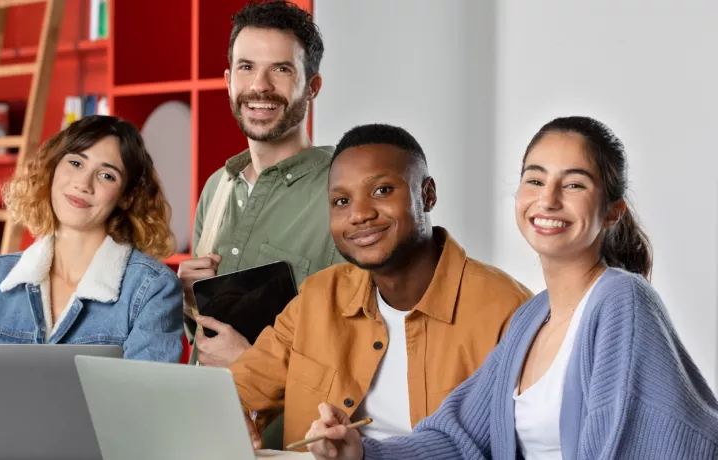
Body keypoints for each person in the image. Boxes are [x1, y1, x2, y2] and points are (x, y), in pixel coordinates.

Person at [304, 116, 718, 460]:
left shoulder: (620, 301)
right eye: (535, 180)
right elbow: (460, 438)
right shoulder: (532, 319)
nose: (548, 200)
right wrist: (362, 452)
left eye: (574, 184)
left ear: (612, 212)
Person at [230, 123, 533, 449]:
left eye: (382, 191)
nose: (359, 214)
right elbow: (238, 391)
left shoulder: (508, 310)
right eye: (341, 201)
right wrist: (235, 417)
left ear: (427, 194)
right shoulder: (318, 297)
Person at [179, 0, 345, 368]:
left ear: (312, 86)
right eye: (246, 67)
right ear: (228, 80)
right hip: (208, 416)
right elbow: (205, 345)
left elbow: (363, 348)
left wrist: (254, 364)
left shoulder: (343, 190)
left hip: (290, 427)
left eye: (281, 69)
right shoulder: (217, 188)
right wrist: (192, 301)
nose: (260, 86)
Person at [0, 115, 185, 363]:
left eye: (106, 175)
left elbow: (145, 397)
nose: (83, 184)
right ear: (53, 169)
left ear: (127, 197)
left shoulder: (152, 289)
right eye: (76, 163)